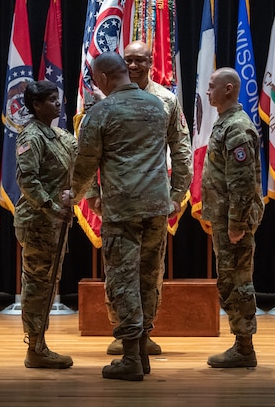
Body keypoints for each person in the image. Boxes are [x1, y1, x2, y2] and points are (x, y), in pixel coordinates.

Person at [70, 51, 180, 381]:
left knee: (123, 280)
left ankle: (131, 356)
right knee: (149, 277)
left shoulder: (102, 111)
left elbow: (85, 165)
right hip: (157, 207)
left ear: (103, 78)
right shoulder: (156, 106)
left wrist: (70, 198)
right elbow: (175, 149)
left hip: (123, 210)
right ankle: (143, 348)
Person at [99, 40, 193, 358]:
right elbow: (89, 152)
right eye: (129, 60)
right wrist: (92, 194)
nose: (134, 65)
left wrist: (179, 193)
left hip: (153, 202)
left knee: (150, 270)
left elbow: (181, 149)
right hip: (118, 201)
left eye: (140, 60)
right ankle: (125, 331)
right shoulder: (107, 101)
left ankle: (144, 333)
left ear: (152, 62)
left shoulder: (166, 100)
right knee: (118, 270)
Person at [201, 67, 264, 368]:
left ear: (228, 89)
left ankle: (244, 347)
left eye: (212, 86)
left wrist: (237, 224)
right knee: (229, 281)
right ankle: (241, 344)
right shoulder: (225, 124)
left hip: (233, 222)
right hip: (226, 218)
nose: (207, 90)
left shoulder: (237, 127)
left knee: (237, 283)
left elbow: (240, 182)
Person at [13, 80, 77, 370]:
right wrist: (53, 209)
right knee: (38, 285)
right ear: (36, 105)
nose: (57, 104)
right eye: (50, 100)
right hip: (38, 222)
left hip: (54, 224)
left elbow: (82, 148)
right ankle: (34, 347)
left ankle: (39, 343)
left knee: (48, 283)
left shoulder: (58, 135)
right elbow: (27, 181)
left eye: (57, 99)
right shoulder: (31, 136)